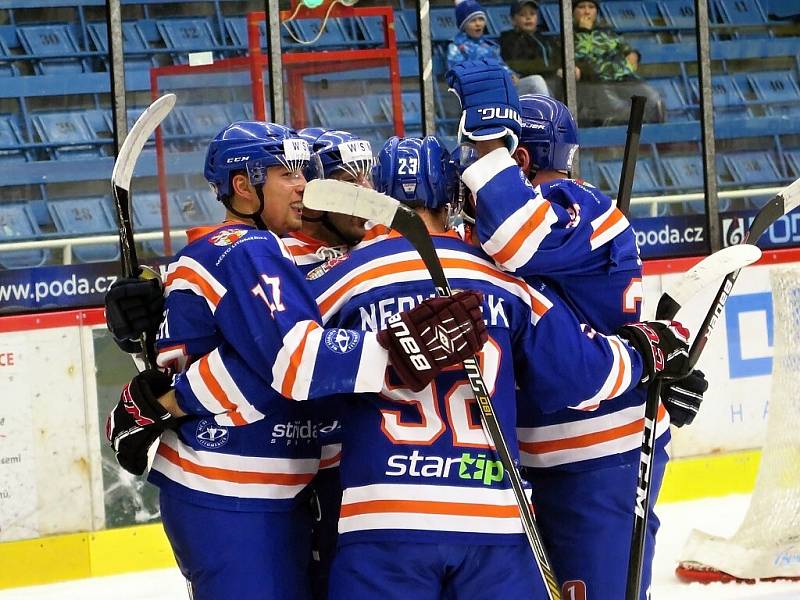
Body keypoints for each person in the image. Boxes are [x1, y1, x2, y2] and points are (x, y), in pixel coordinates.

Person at [104, 121, 489, 600]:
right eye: (290, 174)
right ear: (244, 187)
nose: (304, 185)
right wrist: (397, 350)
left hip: (287, 483)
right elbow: (283, 362)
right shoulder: (249, 250)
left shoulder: (288, 253)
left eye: (305, 173)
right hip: (234, 483)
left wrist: (161, 400)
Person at [306, 135, 694, 600]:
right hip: (492, 521)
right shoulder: (499, 279)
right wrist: (647, 352)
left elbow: (284, 361)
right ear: (453, 198)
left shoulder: (340, 280)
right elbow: (581, 374)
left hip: (383, 520)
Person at [446, 61, 707, 598]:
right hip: (524, 457)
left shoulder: (581, 208)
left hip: (597, 455)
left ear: (517, 156)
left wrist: (487, 139)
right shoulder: (494, 225)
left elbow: (517, 240)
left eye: (487, 154)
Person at [572, 0, 665, 125]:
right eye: (582, 7)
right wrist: (584, 32)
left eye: (591, 7)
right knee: (621, 113)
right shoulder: (569, 35)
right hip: (597, 83)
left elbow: (626, 49)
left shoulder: (606, 31)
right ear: (572, 11)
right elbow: (580, 58)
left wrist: (634, 55)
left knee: (655, 102)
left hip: (624, 78)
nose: (587, 12)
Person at [500, 0, 569, 98]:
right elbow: (519, 65)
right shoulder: (509, 39)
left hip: (550, 80)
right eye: (522, 14)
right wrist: (553, 71)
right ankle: (549, 111)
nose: (528, 18)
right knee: (537, 81)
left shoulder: (545, 38)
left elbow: (558, 57)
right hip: (523, 84)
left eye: (532, 14)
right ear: (513, 20)